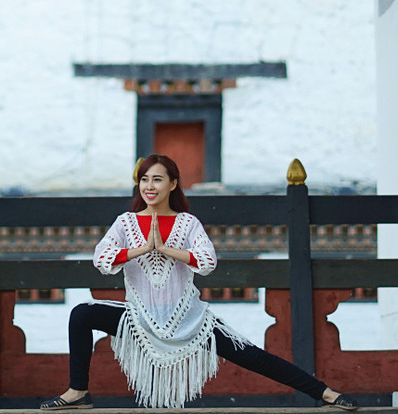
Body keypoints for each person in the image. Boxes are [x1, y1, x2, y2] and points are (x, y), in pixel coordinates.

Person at [40, 154, 359, 411]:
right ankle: (77, 393)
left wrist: (167, 250)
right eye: (144, 180)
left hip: (188, 320)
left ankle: (326, 393)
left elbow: (207, 262)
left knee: (250, 354)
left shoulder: (186, 223)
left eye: (157, 179)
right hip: (139, 318)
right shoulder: (126, 223)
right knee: (81, 314)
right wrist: (142, 249)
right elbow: (102, 260)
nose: (149, 186)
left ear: (173, 184)